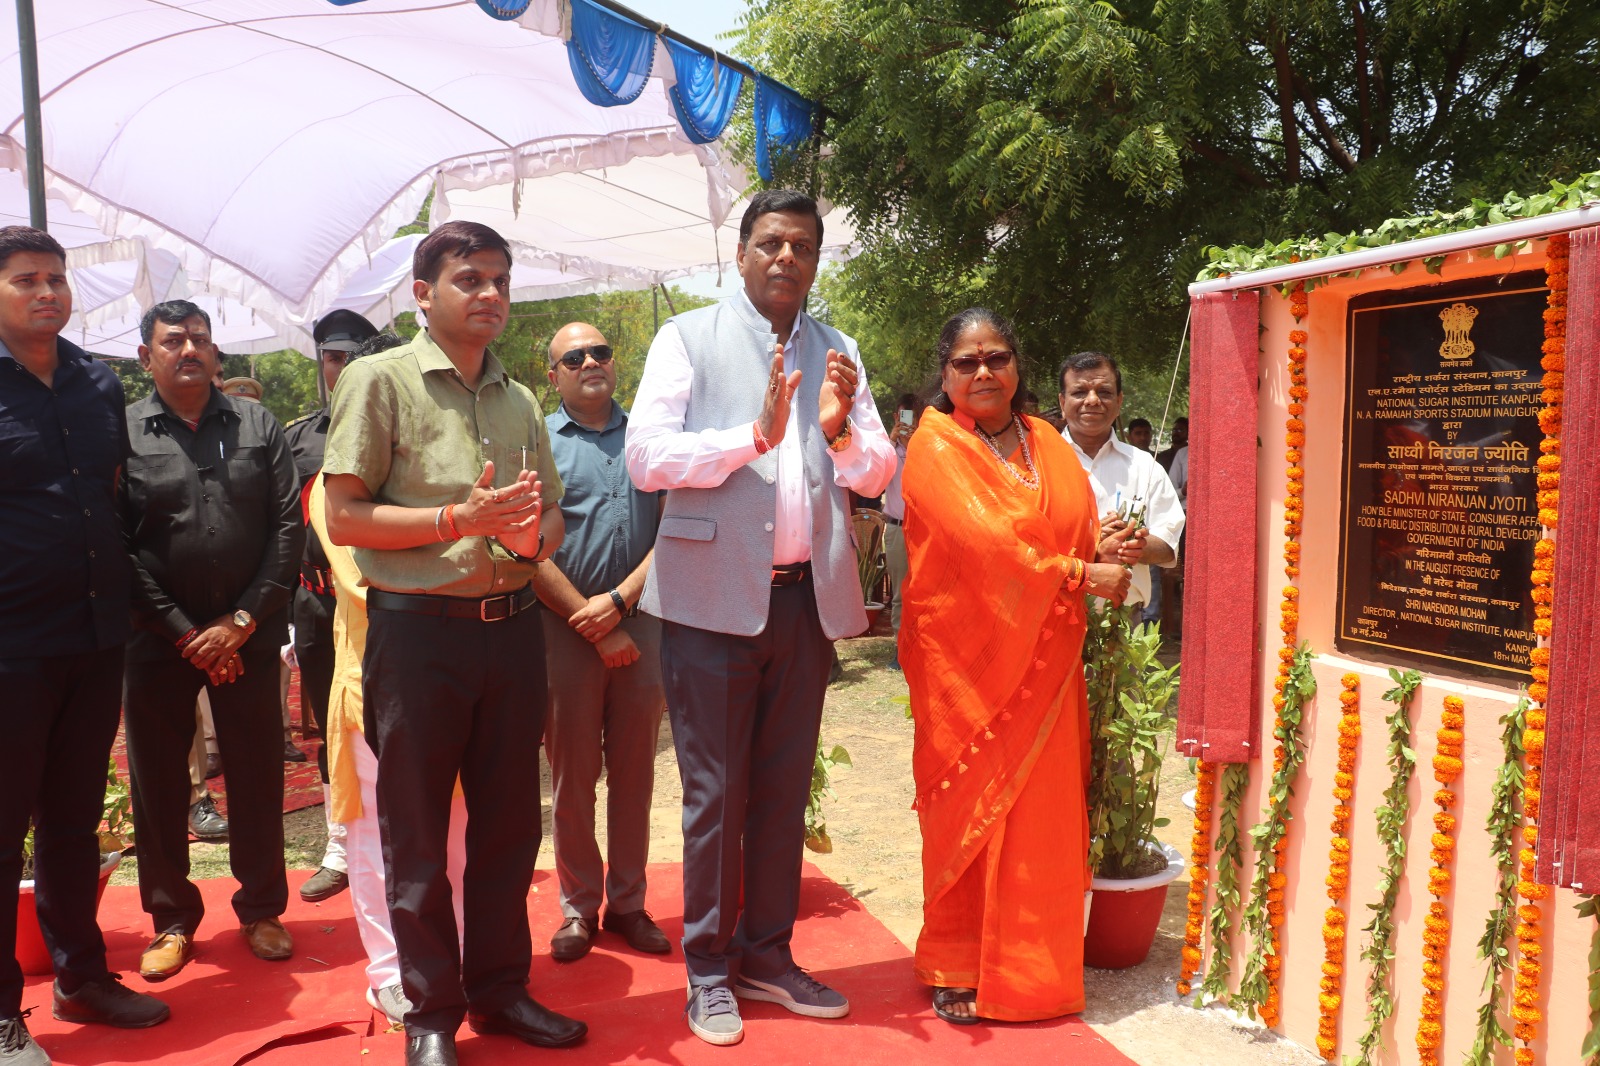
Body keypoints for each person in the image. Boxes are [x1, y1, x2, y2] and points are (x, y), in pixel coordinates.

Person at [626, 188, 895, 1046]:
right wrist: (752, 435)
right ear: (739, 254)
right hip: (709, 607)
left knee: (781, 791)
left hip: (801, 605)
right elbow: (644, 458)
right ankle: (706, 968)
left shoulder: (839, 350)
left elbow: (878, 474)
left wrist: (843, 431)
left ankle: (767, 955)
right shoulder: (687, 339)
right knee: (715, 794)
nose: (787, 258)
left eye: (804, 247)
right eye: (771, 243)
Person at [323, 221, 584, 1066]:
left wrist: (525, 539)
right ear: (422, 294)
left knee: (511, 830)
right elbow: (343, 514)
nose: (491, 294)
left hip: (511, 639)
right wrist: (455, 520)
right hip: (416, 640)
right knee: (420, 837)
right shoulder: (378, 380)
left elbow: (546, 517)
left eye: (500, 279)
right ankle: (432, 1014)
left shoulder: (517, 399)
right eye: (469, 278)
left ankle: (503, 989)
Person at [900, 307, 1128, 1026]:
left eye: (996, 357)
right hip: (965, 666)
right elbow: (988, 544)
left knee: (1042, 816)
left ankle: (1035, 963)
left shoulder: (1048, 443)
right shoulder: (935, 445)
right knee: (971, 806)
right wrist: (1082, 573)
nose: (984, 372)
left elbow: (1076, 524)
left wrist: (1106, 545)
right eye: (966, 362)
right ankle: (956, 961)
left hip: (1047, 661)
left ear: (1017, 366)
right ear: (945, 375)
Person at [0, 226, 170, 1065]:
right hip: (9, 647)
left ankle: (82, 977)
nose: (47, 294)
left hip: (95, 636)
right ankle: (1, 1014)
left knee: (71, 822)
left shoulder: (97, 382)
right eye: (27, 280)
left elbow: (109, 495)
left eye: (57, 279)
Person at [120, 300, 303, 980]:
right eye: (174, 341)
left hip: (248, 636)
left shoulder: (257, 423)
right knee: (159, 783)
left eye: (200, 338)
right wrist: (185, 632)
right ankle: (171, 919)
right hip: (157, 640)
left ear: (216, 352)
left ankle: (261, 909)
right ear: (147, 358)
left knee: (257, 774)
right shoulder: (122, 431)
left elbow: (289, 528)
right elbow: (116, 544)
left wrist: (241, 623)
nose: (189, 349)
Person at [306, 330, 469, 1027]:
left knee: (456, 833)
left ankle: (448, 961)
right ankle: (387, 970)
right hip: (378, 688)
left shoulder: (446, 472)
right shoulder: (334, 492)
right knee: (379, 841)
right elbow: (371, 577)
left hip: (459, 682)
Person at [531, 322, 668, 963]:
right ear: (553, 374)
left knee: (636, 775)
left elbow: (680, 532)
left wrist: (619, 605)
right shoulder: (535, 444)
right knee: (573, 777)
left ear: (616, 364)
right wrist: (590, 617)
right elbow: (522, 545)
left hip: (642, 627)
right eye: (574, 357)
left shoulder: (653, 435)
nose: (591, 362)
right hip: (563, 632)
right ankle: (578, 909)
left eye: (601, 352)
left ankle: (630, 905)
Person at [285, 308, 379, 904]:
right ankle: (341, 848)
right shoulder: (296, 437)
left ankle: (403, 835)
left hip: (389, 609)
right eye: (332, 357)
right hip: (319, 606)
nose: (340, 367)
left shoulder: (388, 423)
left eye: (351, 356)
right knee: (330, 725)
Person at [1058, 351, 1184, 618]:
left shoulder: (1144, 465)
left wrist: (1132, 545)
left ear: (1119, 401)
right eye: (1079, 392)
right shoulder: (1034, 460)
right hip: (1052, 616)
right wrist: (1091, 538)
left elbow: (1167, 543)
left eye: (1104, 392)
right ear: (1062, 401)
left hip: (1123, 623)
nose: (1092, 401)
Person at [882, 393, 918, 671]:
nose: (907, 422)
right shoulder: (886, 448)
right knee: (899, 594)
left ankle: (922, 647)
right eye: (903, 416)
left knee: (926, 590)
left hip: (925, 532)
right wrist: (892, 440)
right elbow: (873, 477)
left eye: (912, 417)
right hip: (896, 529)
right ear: (896, 417)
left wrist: (912, 445)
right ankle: (900, 648)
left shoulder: (926, 448)